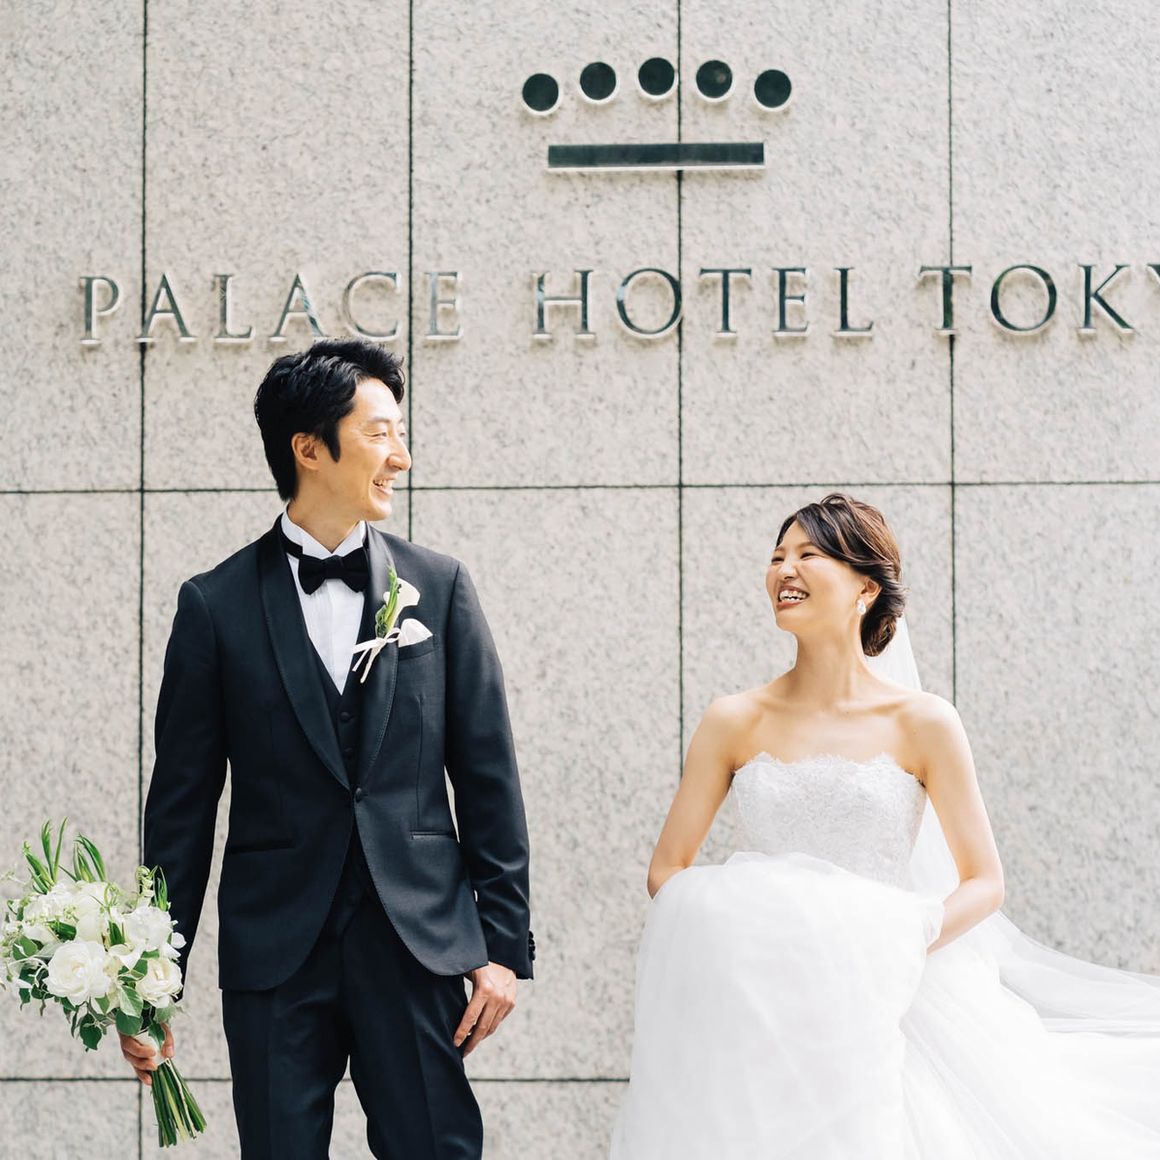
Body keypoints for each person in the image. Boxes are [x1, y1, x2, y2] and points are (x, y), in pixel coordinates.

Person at [610, 492, 1160, 1158]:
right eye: (777, 556)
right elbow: (667, 869)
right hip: (759, 1000)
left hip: (886, 992)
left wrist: (897, 938)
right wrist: (752, 931)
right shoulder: (733, 719)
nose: (784, 570)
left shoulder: (924, 722)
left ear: (866, 587)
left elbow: (985, 881)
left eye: (809, 555)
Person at [120, 339, 534, 1159]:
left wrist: (502, 949)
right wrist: (149, 979)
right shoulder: (214, 606)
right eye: (380, 434)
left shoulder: (440, 587)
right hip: (276, 952)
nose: (401, 457)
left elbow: (488, 775)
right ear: (309, 449)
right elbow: (180, 812)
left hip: (417, 942)